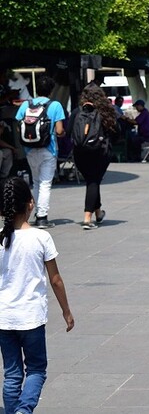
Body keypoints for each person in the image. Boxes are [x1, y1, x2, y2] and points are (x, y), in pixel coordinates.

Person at [0, 177, 74, 414]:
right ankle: (24, 410)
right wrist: (66, 311)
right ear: (30, 204)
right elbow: (55, 280)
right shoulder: (41, 238)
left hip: (4, 318)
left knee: (12, 373)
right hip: (31, 318)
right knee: (36, 369)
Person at [15, 75, 66, 229]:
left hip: (30, 149)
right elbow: (59, 130)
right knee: (45, 183)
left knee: (36, 182)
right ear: (51, 90)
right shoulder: (55, 105)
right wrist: (62, 134)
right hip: (48, 149)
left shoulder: (26, 105)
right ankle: (42, 217)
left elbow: (18, 126)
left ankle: (36, 212)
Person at [66, 84, 118, 230]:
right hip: (100, 152)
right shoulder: (105, 112)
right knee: (93, 181)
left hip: (80, 153)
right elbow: (117, 131)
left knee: (93, 181)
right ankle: (87, 218)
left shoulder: (77, 112)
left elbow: (69, 131)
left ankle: (98, 212)